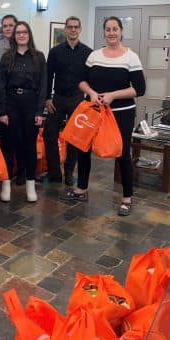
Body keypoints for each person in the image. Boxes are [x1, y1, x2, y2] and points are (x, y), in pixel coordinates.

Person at [62, 17, 145, 217]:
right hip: (95, 112)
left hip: (121, 115)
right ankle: (81, 189)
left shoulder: (131, 57)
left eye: (115, 29)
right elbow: (81, 81)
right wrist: (90, 92)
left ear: (121, 31)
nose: (111, 33)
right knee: (84, 149)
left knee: (123, 154)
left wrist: (113, 95)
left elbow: (139, 89)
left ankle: (127, 198)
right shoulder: (94, 56)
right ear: (104, 32)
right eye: (108, 29)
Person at [0, 22, 47, 203]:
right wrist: (1, 111)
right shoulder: (7, 57)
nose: (21, 35)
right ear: (13, 36)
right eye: (18, 32)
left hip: (31, 106)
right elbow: (0, 85)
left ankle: (30, 185)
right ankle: (6, 184)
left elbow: (43, 86)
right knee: (8, 146)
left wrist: (40, 111)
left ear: (29, 34)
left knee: (29, 147)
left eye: (24, 32)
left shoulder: (39, 57)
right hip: (10, 105)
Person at [44, 17, 92, 186]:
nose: (72, 30)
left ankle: (70, 171)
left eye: (75, 27)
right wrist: (47, 98)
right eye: (69, 27)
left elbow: (90, 79)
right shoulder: (55, 51)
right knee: (49, 134)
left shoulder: (88, 52)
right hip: (57, 99)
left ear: (80, 30)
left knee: (74, 138)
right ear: (65, 29)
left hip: (78, 100)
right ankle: (55, 173)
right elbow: (48, 76)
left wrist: (87, 101)